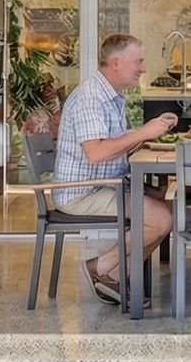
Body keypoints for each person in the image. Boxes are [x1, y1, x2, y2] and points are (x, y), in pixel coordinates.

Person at [53, 33, 179, 305]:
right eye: (139, 62)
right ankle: (100, 268)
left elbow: (112, 145)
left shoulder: (109, 96)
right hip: (82, 193)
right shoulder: (91, 98)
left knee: (169, 208)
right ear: (116, 63)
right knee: (162, 219)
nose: (143, 69)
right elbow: (96, 153)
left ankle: (115, 277)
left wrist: (147, 134)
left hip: (105, 184)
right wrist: (143, 131)